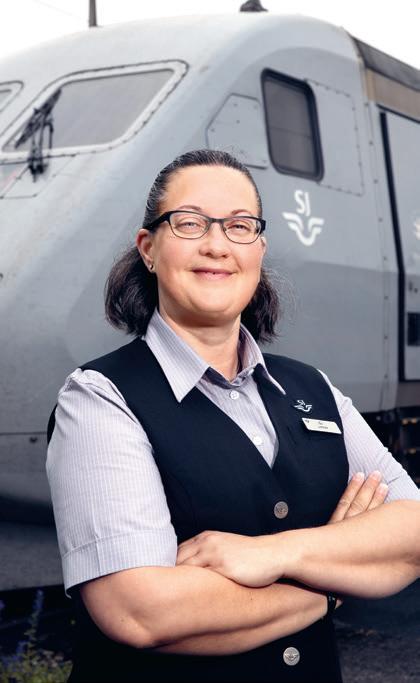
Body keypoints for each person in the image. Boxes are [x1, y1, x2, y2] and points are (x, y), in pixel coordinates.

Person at [46, 149, 420, 683]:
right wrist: (334, 583)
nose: (217, 245)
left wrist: (277, 553)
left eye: (240, 226)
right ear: (149, 249)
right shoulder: (100, 398)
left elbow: (414, 529)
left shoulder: (312, 387)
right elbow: (141, 612)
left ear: (259, 250)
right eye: (190, 223)